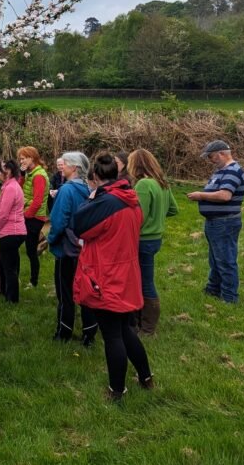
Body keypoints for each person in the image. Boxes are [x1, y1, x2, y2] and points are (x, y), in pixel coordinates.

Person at [71, 153, 152, 402]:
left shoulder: (106, 203)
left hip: (106, 276)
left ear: (95, 177)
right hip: (126, 274)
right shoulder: (130, 198)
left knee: (113, 335)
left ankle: (117, 390)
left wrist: (92, 197)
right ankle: (146, 377)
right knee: (126, 330)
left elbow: (80, 225)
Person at [186, 140, 244, 304]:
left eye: (211, 156)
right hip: (215, 222)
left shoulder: (233, 171)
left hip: (224, 223)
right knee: (215, 259)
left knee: (225, 260)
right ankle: (213, 289)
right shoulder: (220, 171)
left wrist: (201, 195)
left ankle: (229, 297)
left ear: (221, 153)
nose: (210, 160)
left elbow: (225, 195)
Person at [46, 151, 98, 346]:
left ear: (74, 168)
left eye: (65, 163)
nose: (62, 166)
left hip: (66, 249)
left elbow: (58, 221)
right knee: (86, 290)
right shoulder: (89, 187)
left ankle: (64, 331)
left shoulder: (66, 190)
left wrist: (50, 239)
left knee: (65, 292)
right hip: (85, 247)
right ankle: (89, 333)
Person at [128, 148, 179, 334]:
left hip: (142, 240)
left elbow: (137, 217)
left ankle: (147, 327)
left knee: (144, 282)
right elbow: (173, 209)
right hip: (155, 238)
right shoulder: (162, 183)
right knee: (144, 279)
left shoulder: (143, 185)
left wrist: (148, 222)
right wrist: (157, 218)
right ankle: (141, 321)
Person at [0, 158, 26, 303]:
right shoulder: (9, 186)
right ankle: (5, 292)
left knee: (9, 267)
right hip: (14, 231)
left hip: (11, 231)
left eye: (0, 170)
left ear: (9, 171)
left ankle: (12, 299)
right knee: (9, 264)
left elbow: (4, 214)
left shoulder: (11, 188)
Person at [16, 146, 50, 288]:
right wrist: (22, 175)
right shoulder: (29, 173)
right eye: (20, 159)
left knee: (30, 251)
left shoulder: (39, 175)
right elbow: (19, 189)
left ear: (32, 158)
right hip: (28, 214)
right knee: (21, 247)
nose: (21, 161)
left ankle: (33, 281)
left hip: (34, 217)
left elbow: (37, 201)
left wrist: (25, 215)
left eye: (24, 158)